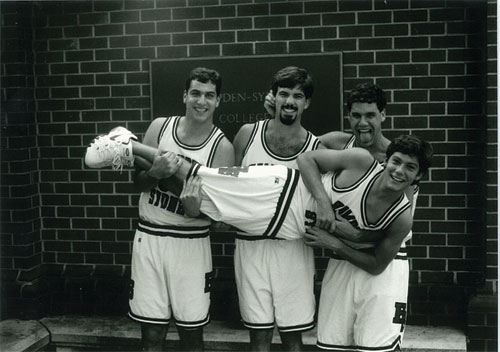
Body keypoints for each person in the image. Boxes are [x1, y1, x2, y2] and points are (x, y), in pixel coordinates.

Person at [297, 83, 426, 351]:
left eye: (370, 115)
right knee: (332, 345)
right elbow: (302, 156)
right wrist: (324, 204)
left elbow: (391, 229)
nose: (362, 123)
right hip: (341, 262)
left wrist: (351, 234)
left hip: (382, 261)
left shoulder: (398, 162)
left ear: (383, 115)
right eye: (356, 115)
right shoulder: (335, 143)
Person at [116, 67, 234, 351]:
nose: (201, 101)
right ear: (185, 95)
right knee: (151, 336)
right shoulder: (160, 127)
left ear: (218, 101)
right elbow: (136, 184)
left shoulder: (223, 148)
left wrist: (197, 211)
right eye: (195, 93)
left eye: (209, 95)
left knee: (191, 336)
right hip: (150, 237)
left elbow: (221, 219)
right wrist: (154, 173)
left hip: (190, 244)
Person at [231, 66, 320, 351]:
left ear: (307, 102)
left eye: (298, 95)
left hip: (292, 249)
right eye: (284, 93)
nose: (290, 101)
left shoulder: (315, 148)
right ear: (273, 97)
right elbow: (229, 186)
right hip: (251, 247)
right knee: (259, 337)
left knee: (293, 338)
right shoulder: (247, 135)